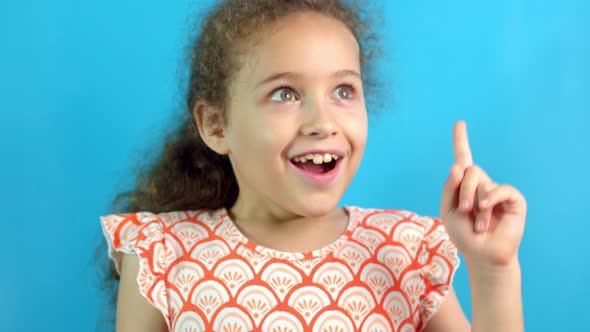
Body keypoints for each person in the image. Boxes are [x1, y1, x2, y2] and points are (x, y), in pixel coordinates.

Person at [99, 0, 527, 331]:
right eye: (285, 94)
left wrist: (493, 269)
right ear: (216, 125)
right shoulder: (162, 255)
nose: (323, 123)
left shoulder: (406, 250)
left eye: (343, 91)